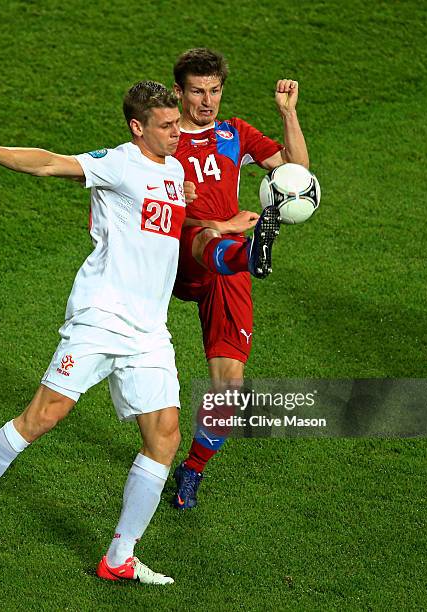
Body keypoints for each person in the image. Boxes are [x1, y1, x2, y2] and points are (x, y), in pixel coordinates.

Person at [0, 81, 186, 585]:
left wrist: (223, 229)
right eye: (167, 126)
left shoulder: (174, 170)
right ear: (138, 128)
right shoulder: (117, 163)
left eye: (177, 123)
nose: (178, 133)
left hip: (149, 331)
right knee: (45, 415)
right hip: (102, 318)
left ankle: (119, 557)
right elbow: (48, 162)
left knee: (165, 438)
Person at [170, 48, 310, 509]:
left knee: (228, 389)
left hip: (224, 267)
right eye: (196, 91)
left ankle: (192, 469)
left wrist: (288, 114)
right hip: (174, 256)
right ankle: (244, 251)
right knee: (212, 233)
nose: (206, 101)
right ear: (179, 92)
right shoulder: (162, 138)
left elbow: (296, 173)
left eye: (214, 90)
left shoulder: (234, 132)